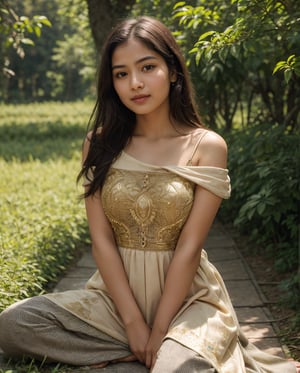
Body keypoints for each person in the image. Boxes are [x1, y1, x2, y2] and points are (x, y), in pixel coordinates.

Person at [0, 16, 297, 373]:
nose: (135, 83)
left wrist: (158, 329)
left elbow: (189, 247)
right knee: (14, 324)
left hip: (189, 300)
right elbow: (102, 240)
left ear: (173, 71)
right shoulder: (99, 143)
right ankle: (136, 347)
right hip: (113, 301)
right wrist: (134, 324)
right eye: (121, 73)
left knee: (178, 368)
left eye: (148, 67)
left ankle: (167, 346)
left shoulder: (206, 146)